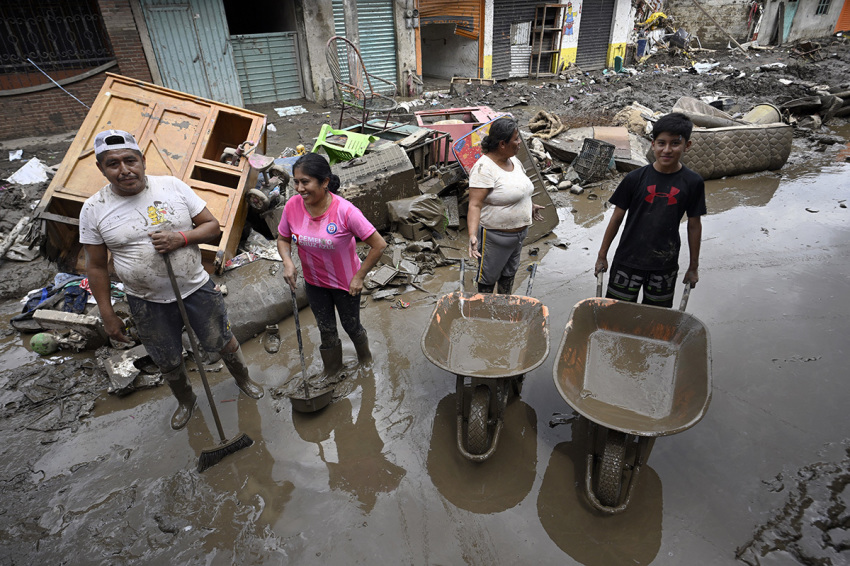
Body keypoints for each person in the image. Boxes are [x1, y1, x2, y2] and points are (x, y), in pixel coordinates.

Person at [79, 129, 264, 431]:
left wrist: (181, 237)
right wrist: (107, 313)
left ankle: (244, 379)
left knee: (221, 339)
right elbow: (97, 266)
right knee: (166, 356)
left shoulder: (172, 188)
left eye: (130, 160)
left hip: (195, 288)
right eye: (113, 164)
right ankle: (186, 400)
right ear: (101, 168)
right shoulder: (94, 209)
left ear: (143, 160)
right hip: (145, 301)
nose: (124, 170)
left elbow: (212, 227)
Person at [277, 153, 387, 376]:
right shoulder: (292, 206)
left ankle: (365, 360)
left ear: (325, 182)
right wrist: (288, 262)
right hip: (314, 283)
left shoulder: (346, 211)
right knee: (326, 330)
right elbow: (282, 238)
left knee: (351, 326)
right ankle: (333, 369)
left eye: (305, 182)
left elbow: (379, 245)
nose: (299, 188)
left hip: (346, 284)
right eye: (296, 182)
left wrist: (359, 277)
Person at [595, 112, 706, 307]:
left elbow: (694, 226)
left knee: (656, 320)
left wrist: (693, 267)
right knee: (616, 316)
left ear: (687, 145)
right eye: (661, 143)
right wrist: (602, 255)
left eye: (675, 143)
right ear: (652, 144)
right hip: (627, 261)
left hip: (664, 265)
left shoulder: (693, 182)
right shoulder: (634, 179)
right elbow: (616, 219)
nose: (667, 150)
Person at [467, 117, 544, 294]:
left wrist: (528, 205)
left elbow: (519, 189)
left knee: (509, 274)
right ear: (502, 143)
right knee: (488, 277)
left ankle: (504, 309)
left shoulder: (514, 161)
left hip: (518, 235)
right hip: (495, 237)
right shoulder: (483, 169)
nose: (519, 142)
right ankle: (485, 314)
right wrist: (472, 235)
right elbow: (475, 205)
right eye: (516, 139)